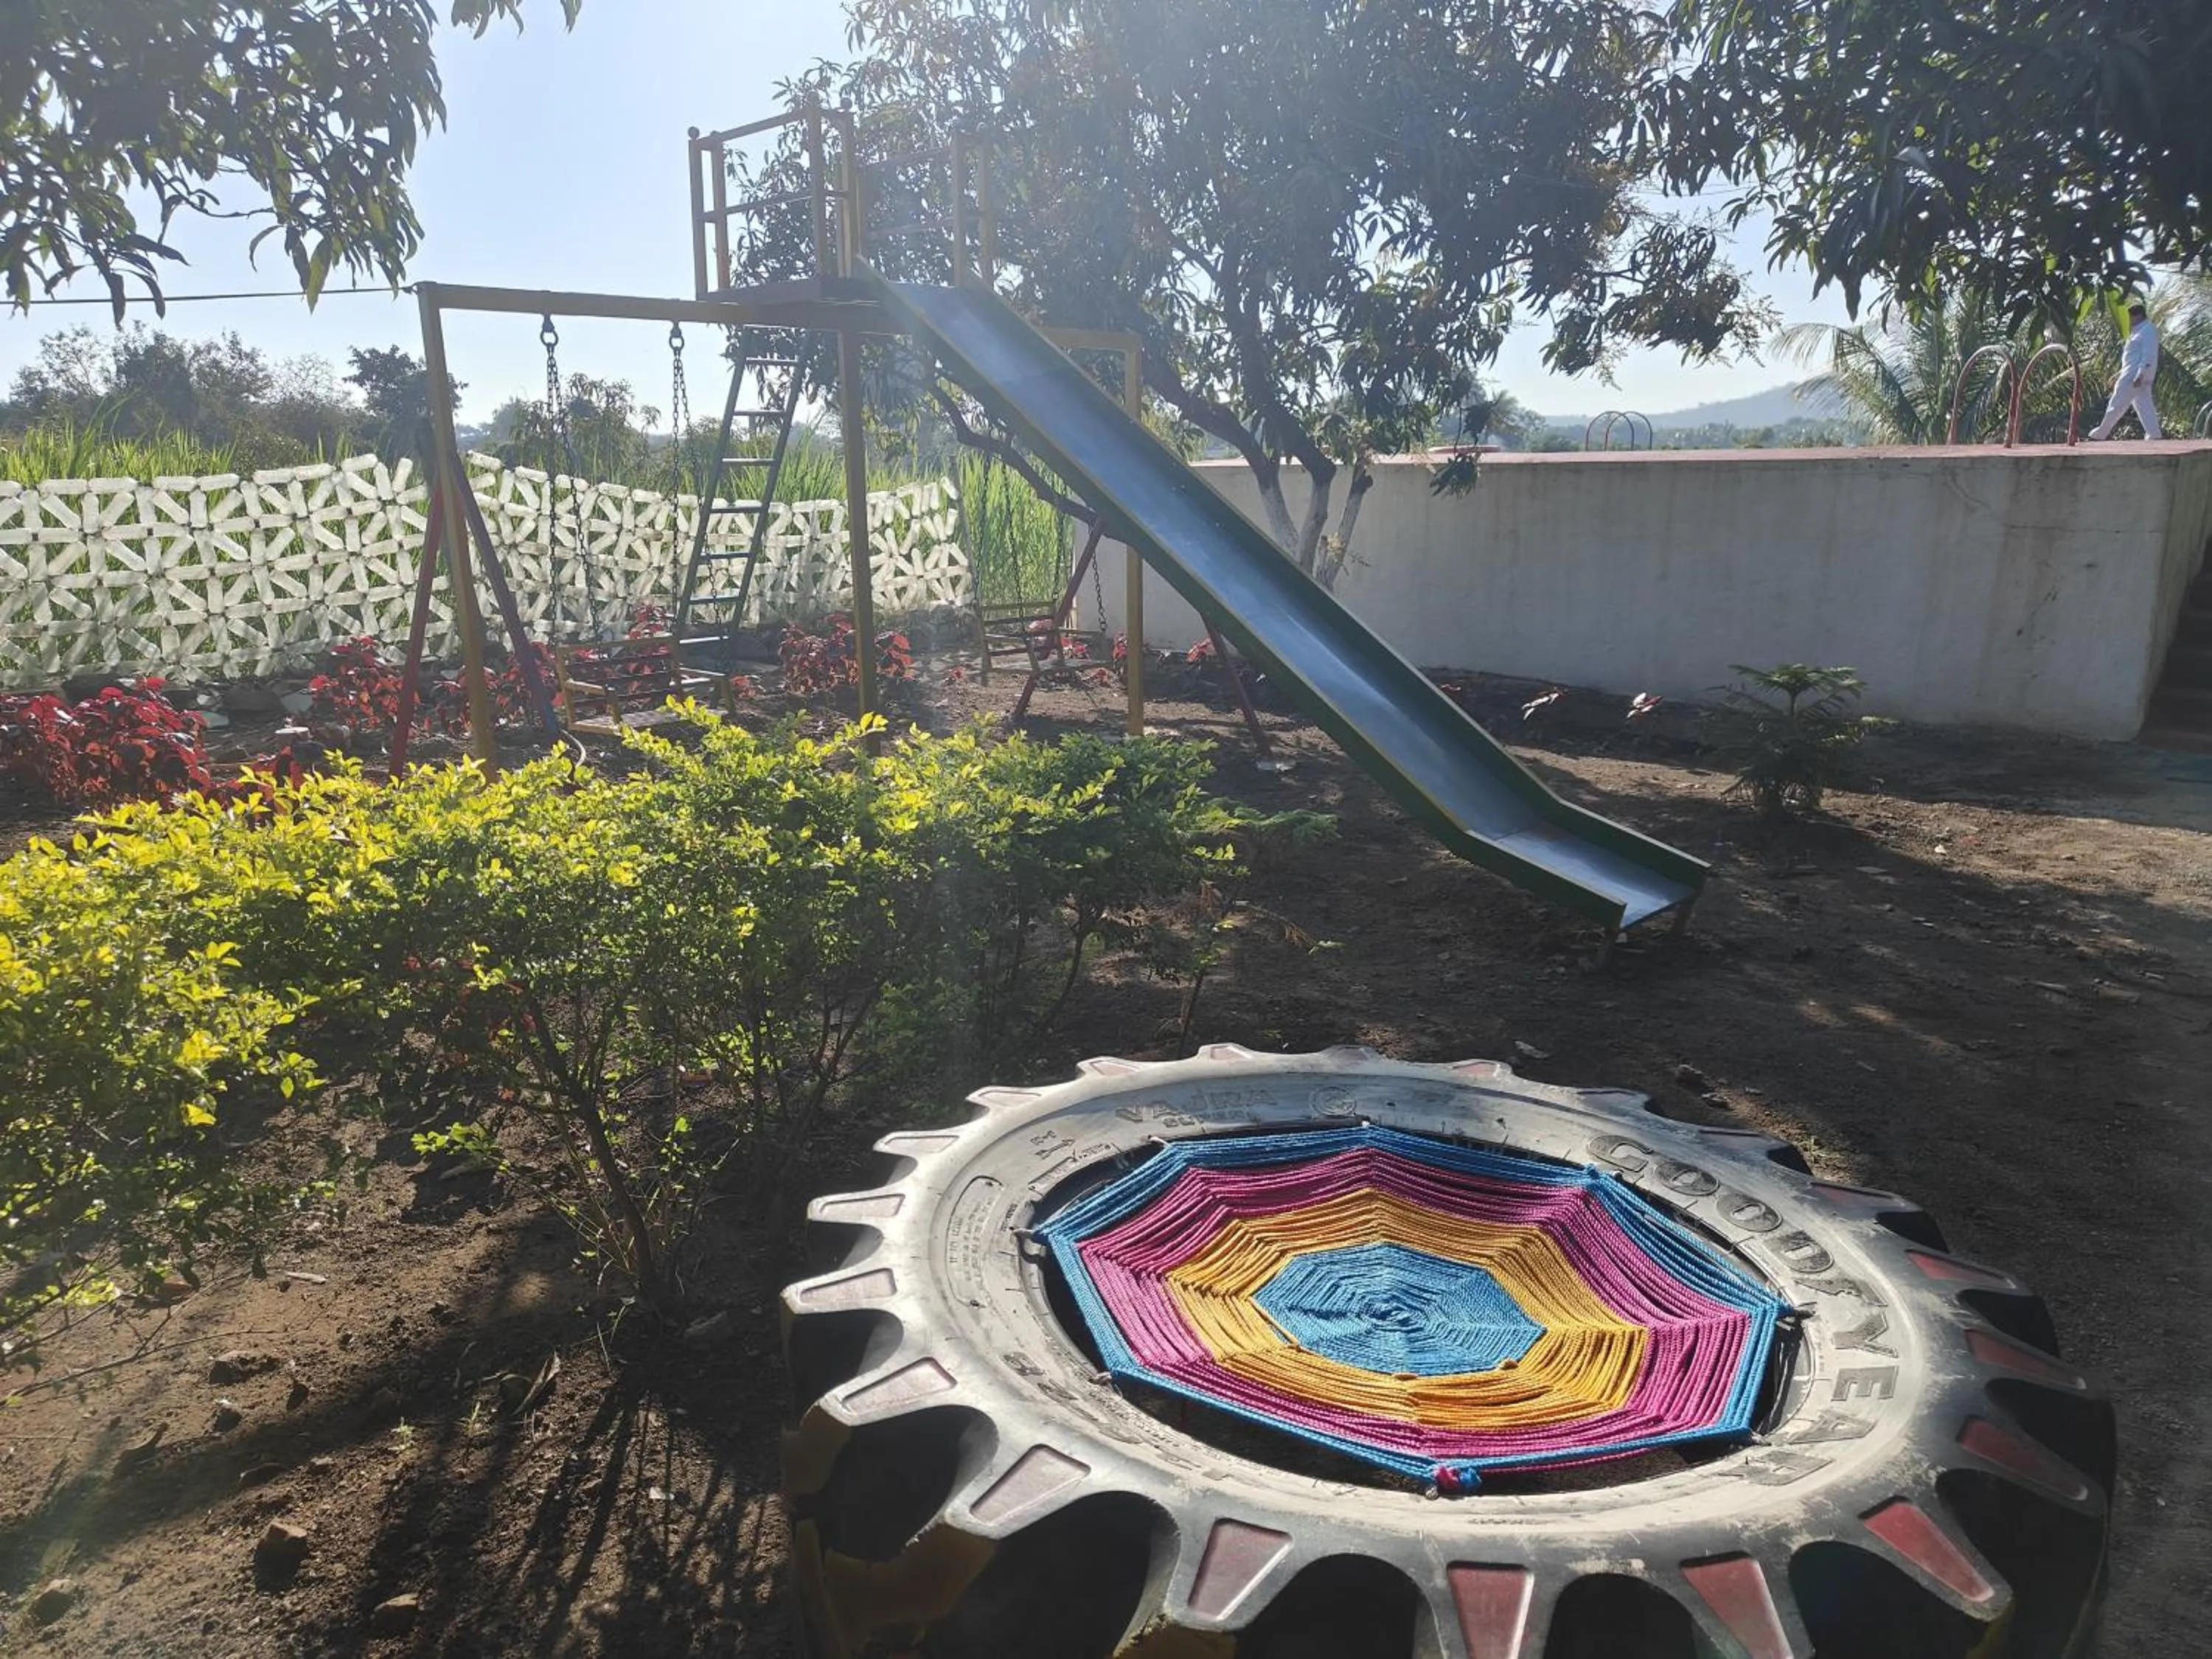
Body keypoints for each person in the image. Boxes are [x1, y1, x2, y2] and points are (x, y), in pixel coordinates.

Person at [2088, 301, 2161, 439]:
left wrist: (2141, 374)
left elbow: (2149, 354)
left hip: (2135, 374)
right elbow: (2131, 358)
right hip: (2132, 372)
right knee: (2144, 405)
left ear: (2137, 316)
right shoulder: (2136, 332)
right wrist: (2119, 373)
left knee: (2117, 402)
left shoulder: (2148, 330)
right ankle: (2154, 434)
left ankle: (2102, 432)